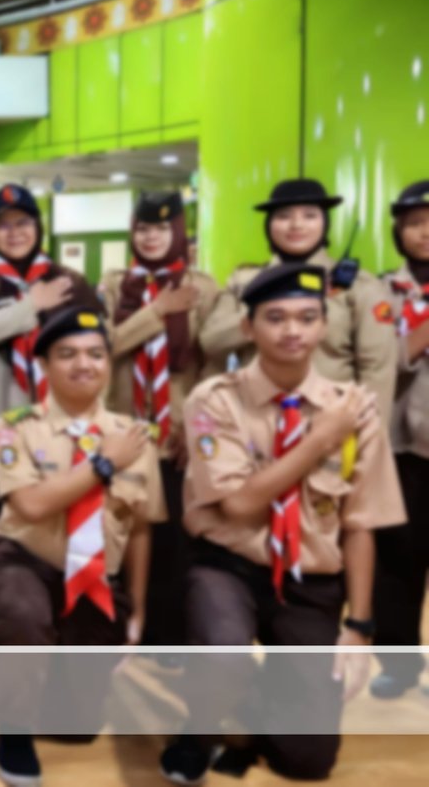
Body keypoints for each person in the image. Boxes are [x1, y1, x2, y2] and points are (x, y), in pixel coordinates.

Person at [160, 263, 403, 783]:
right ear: (248, 327)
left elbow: (361, 522)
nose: (293, 330)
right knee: (223, 652)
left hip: (310, 578)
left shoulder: (353, 410)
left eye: (307, 317)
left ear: (323, 326)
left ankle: (261, 699)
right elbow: (239, 504)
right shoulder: (213, 400)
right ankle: (199, 727)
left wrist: (359, 627)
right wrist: (320, 439)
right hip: (229, 563)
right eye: (275, 318)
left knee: (308, 762)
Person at [0, 306, 162, 787]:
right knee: (22, 615)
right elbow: (32, 505)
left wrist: (138, 608)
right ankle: (14, 729)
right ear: (45, 365)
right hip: (23, 558)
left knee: (77, 727)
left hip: (94, 573)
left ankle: (20, 666)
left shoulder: (134, 437)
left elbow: (141, 528)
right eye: (68, 354)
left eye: (96, 354)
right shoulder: (15, 425)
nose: (84, 364)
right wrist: (102, 465)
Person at [0, 183, 97, 640]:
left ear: (39, 227)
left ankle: (51, 623)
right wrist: (32, 304)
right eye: (2, 225)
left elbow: (97, 344)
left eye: (23, 222)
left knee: (53, 529)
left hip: (56, 434)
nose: (14, 232)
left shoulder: (68, 280)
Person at [97, 190, 218, 647]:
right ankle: (121, 622)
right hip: (123, 428)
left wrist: (198, 424)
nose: (151, 237)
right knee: (121, 530)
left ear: (179, 231)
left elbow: (210, 362)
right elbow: (103, 346)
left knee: (174, 539)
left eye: (162, 228)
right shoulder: (115, 285)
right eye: (143, 228)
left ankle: (168, 635)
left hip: (178, 433)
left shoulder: (201, 287)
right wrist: (156, 312)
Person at [199, 178, 397, 423]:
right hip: (254, 420)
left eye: (309, 215)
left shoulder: (358, 286)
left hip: (331, 419)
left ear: (325, 223)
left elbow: (377, 370)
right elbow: (211, 341)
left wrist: (368, 431)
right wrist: (264, 305)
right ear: (269, 225)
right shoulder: (243, 281)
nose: (296, 225)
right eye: (283, 216)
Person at [373, 180, 429, 699]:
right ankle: (398, 662)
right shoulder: (382, 291)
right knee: (398, 557)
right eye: (414, 223)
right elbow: (383, 359)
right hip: (400, 444)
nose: (425, 232)